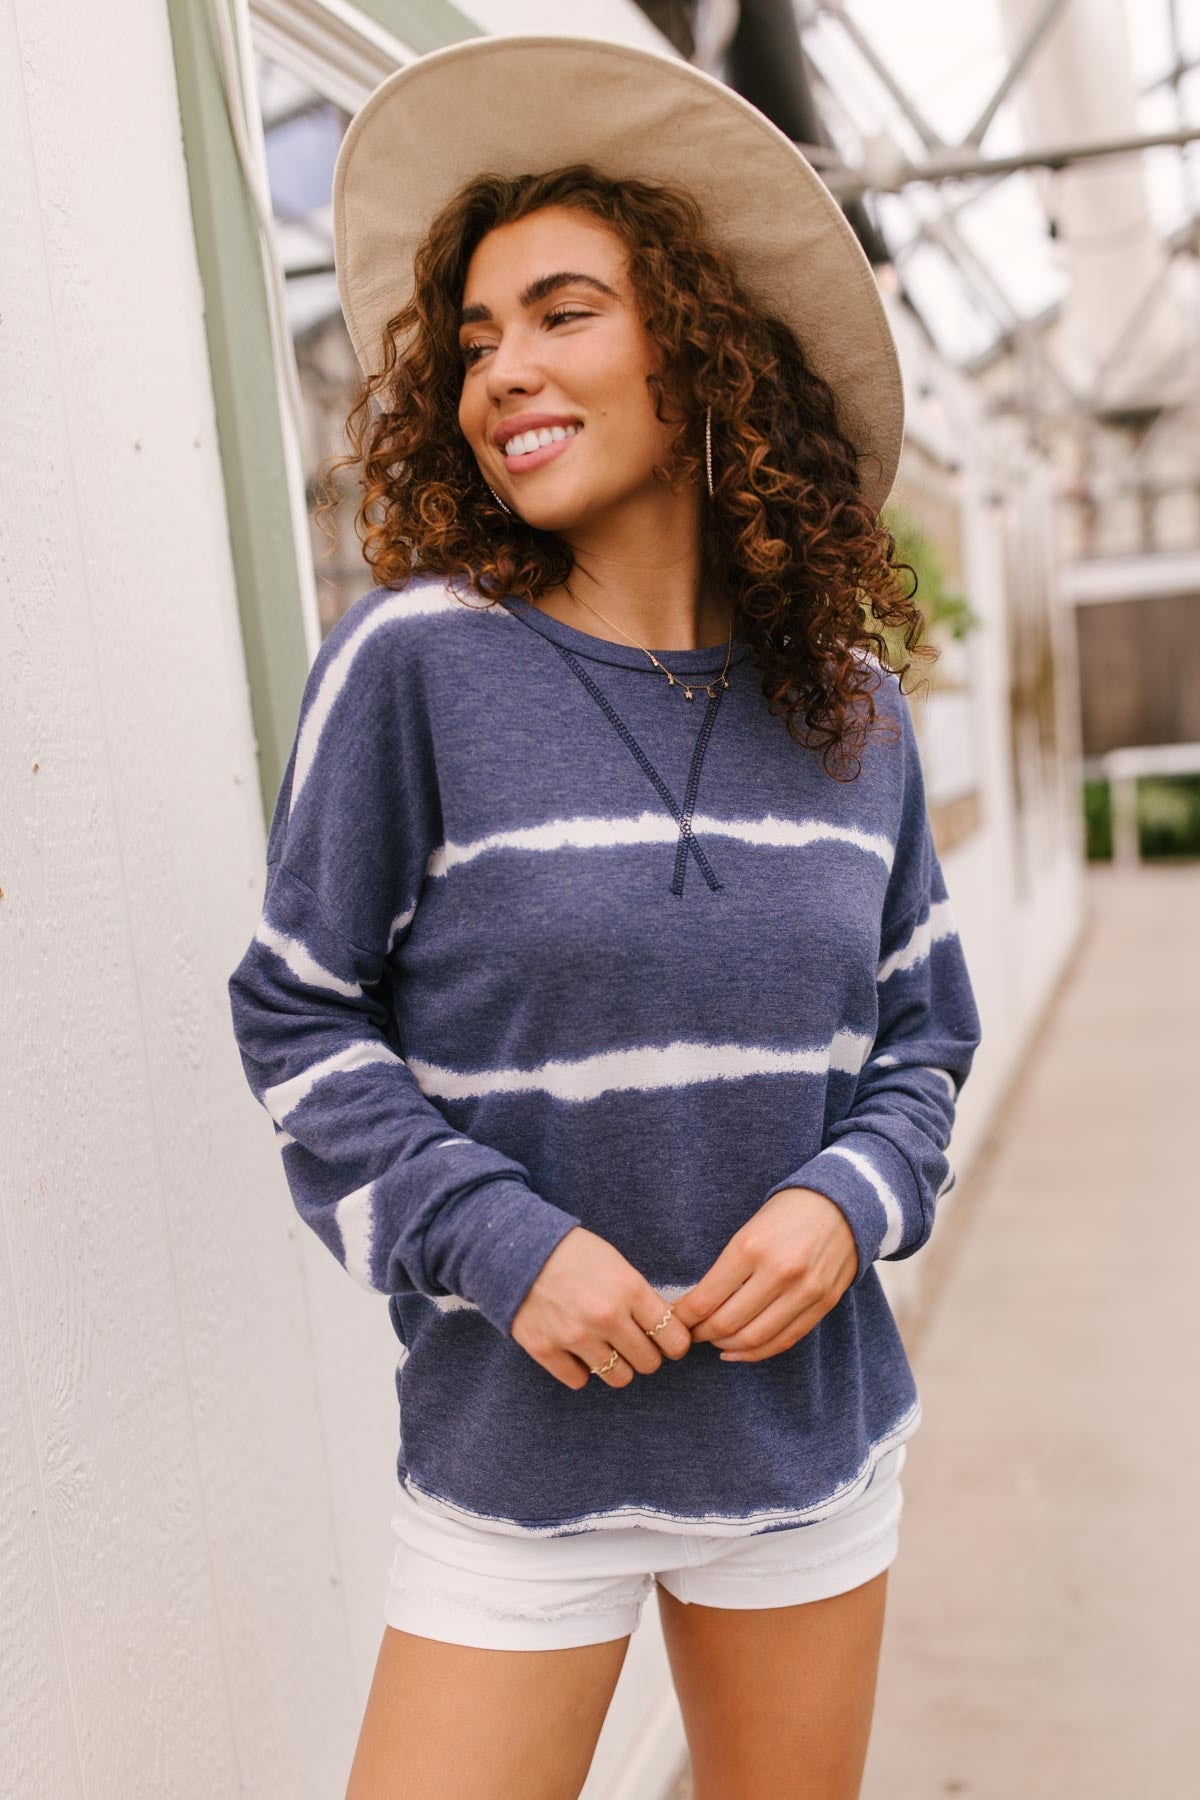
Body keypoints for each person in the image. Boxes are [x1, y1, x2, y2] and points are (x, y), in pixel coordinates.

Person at [227, 34, 982, 1800]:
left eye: (563, 313)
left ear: (701, 352)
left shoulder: (853, 711)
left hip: (801, 1452)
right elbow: (296, 1015)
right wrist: (504, 1242)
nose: (504, 373)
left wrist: (845, 1200)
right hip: (516, 1467)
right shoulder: (412, 666)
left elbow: (926, 1037)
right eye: (477, 339)